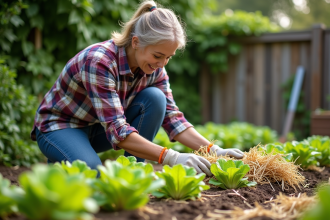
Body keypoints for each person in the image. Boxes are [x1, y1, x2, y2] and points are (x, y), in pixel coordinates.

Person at [31, 0, 244, 176]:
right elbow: (118, 131)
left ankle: (134, 172)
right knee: (91, 173)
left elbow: (173, 118)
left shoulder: (154, 69)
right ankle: (63, 158)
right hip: (60, 127)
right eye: (158, 55)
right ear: (135, 42)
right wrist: (171, 157)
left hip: (96, 128)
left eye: (168, 57)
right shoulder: (99, 62)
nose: (162, 64)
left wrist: (213, 150)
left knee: (156, 98)